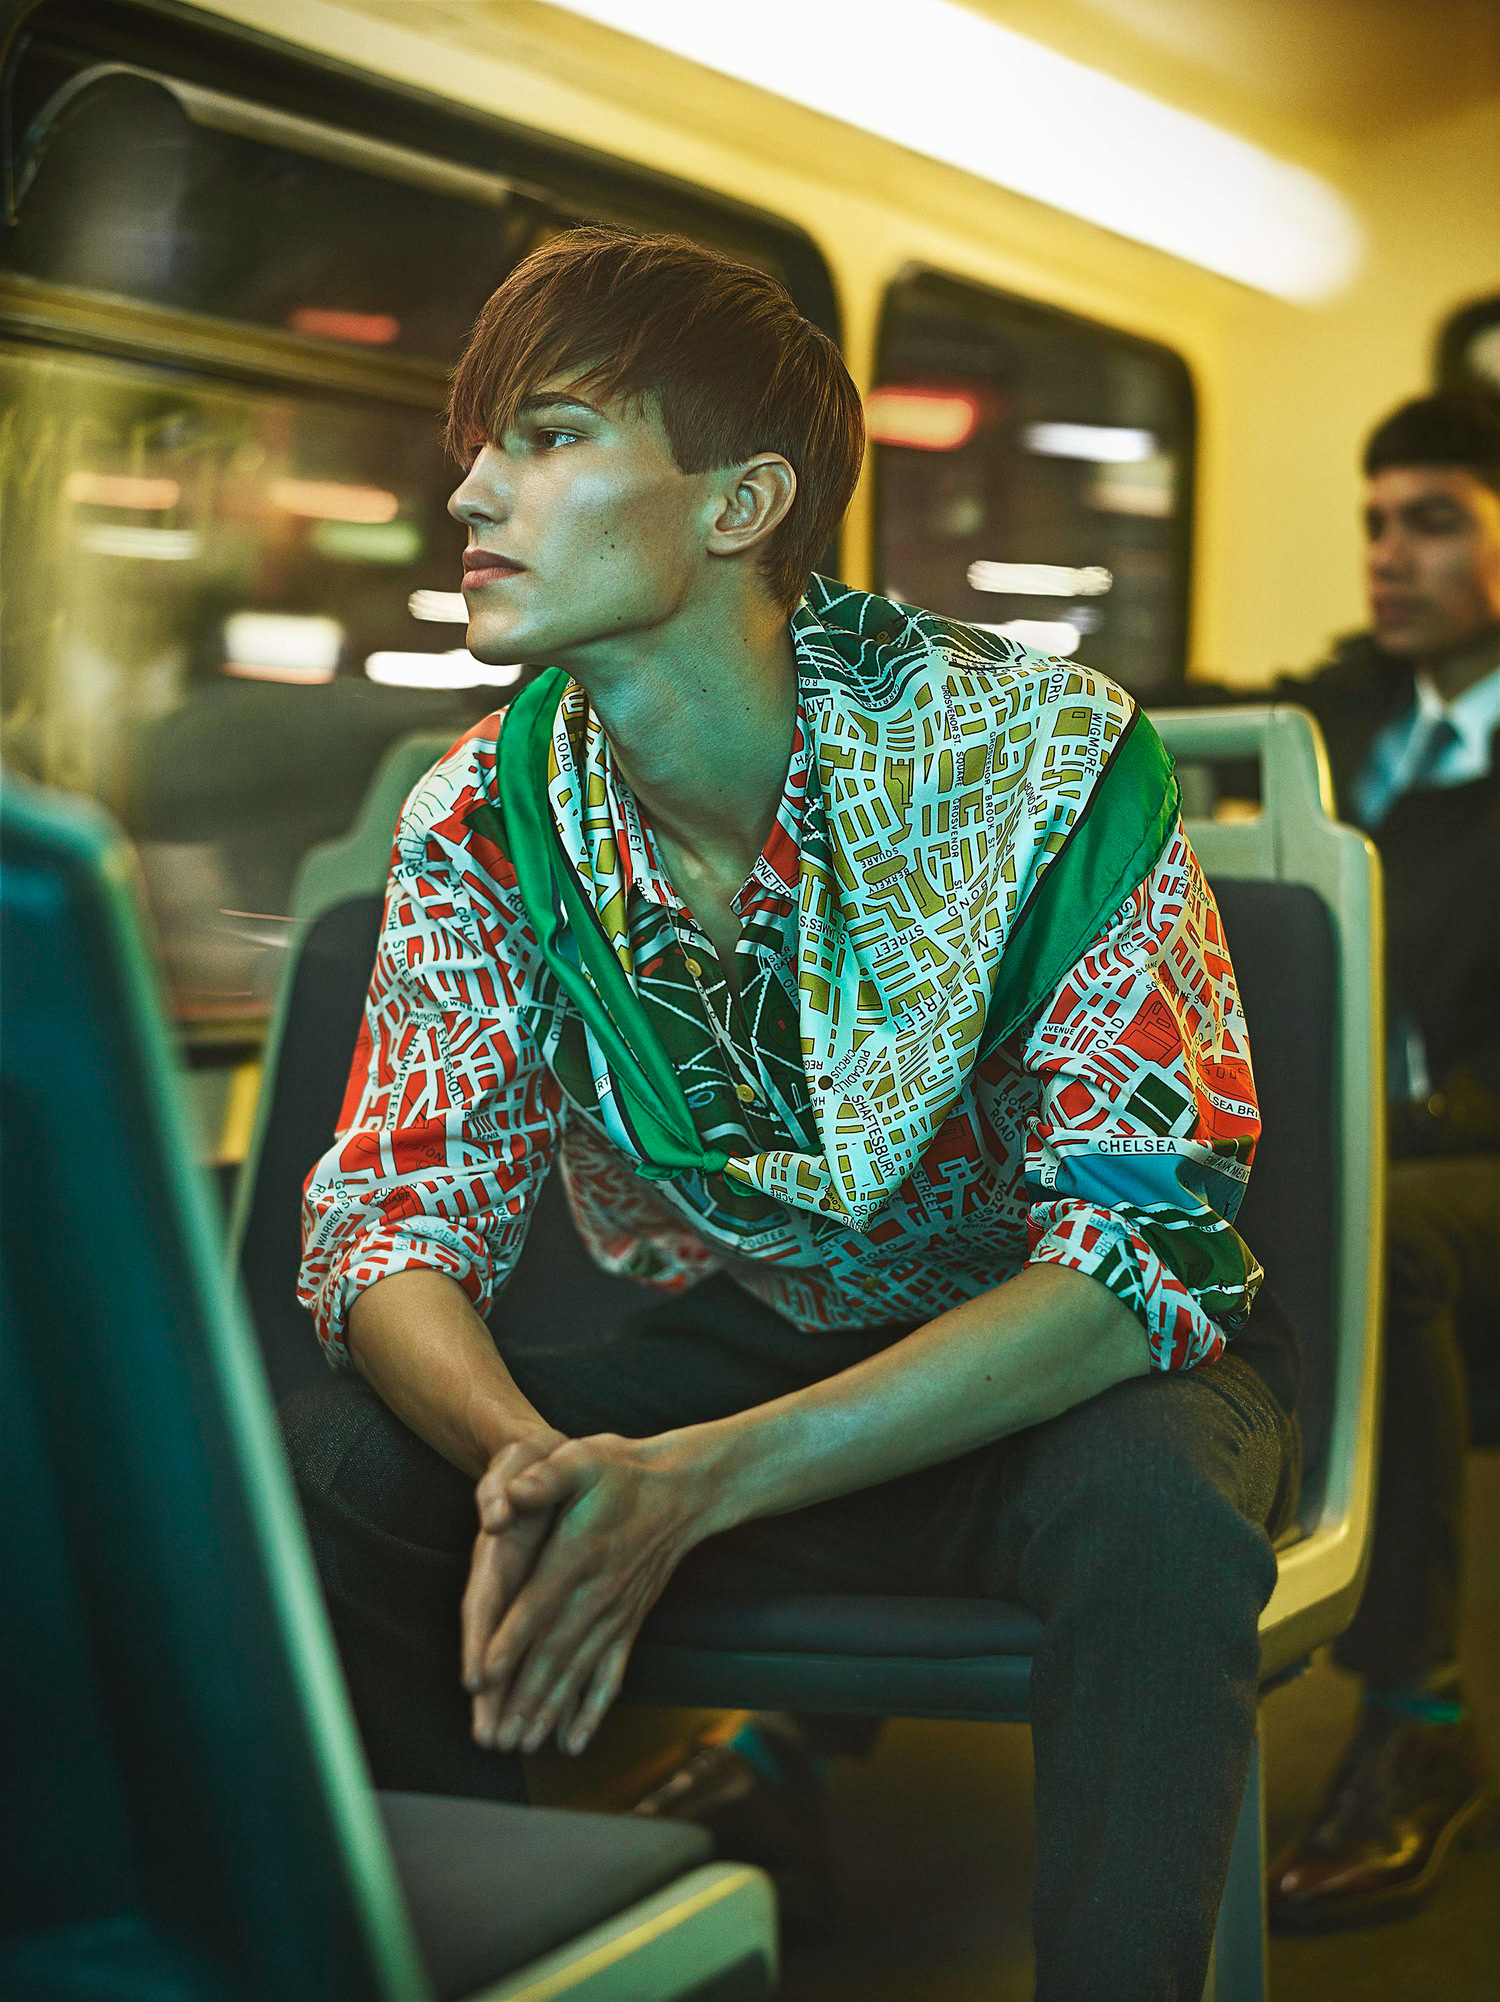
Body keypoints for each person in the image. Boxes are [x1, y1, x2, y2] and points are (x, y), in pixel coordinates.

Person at [284, 228, 1299, 2001]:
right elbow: (392, 1220)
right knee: (343, 1464)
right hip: (772, 1338)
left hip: (1059, 1376)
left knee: (1154, 1520)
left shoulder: (1046, 759)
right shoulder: (484, 819)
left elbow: (1138, 1256)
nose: (470, 490)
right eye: (480, 444)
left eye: (547, 437)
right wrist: (533, 1469)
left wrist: (699, 1482)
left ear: (741, 503)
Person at [1213, 390, 1499, 1931]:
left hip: (1470, 1151)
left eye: (1435, 521)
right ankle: (802, 1726)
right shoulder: (1344, 722)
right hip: (1352, 1137)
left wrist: (1398, 1123)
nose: (1391, 555)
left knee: (1377, 1236)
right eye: (1377, 522)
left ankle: (1421, 1715)